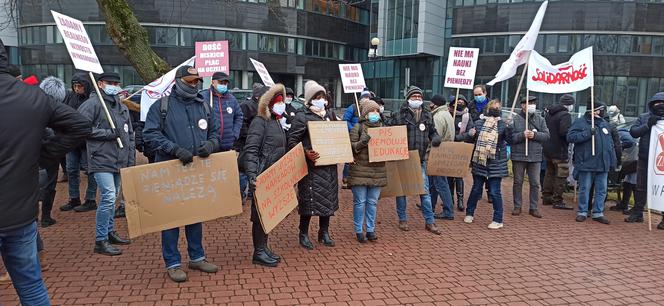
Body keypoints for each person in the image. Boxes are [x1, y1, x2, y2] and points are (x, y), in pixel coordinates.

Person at [0, 38, 91, 305]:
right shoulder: (32, 96)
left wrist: (41, 156)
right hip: (20, 213)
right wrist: (41, 156)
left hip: (20, 214)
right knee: (30, 287)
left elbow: (79, 125)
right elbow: (80, 125)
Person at [143, 65, 222, 282]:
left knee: (194, 214)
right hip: (171, 169)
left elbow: (215, 132)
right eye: (190, 82)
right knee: (171, 218)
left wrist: (211, 144)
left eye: (197, 82)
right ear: (178, 81)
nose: (194, 85)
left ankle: (197, 257)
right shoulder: (161, 107)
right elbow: (150, 134)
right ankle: (173, 262)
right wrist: (174, 149)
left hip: (196, 170)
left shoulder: (204, 105)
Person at [78, 72, 135, 256]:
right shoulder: (93, 104)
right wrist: (107, 134)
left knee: (114, 196)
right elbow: (80, 128)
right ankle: (100, 239)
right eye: (110, 83)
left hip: (120, 158)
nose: (114, 86)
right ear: (100, 84)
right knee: (109, 196)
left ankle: (109, 232)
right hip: (101, 158)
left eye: (117, 83)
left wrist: (130, 159)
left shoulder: (121, 106)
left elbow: (129, 134)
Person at [288, 80, 340, 249]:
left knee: (328, 201)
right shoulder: (302, 116)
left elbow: (339, 137)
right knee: (308, 202)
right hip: (312, 168)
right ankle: (303, 233)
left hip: (329, 165)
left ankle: (324, 232)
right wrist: (305, 152)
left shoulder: (330, 115)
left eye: (322, 96)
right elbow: (292, 140)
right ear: (310, 99)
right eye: (317, 96)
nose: (321, 99)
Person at [387, 85, 443, 234]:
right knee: (402, 191)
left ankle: (429, 222)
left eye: (419, 97)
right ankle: (403, 219)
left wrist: (436, 138)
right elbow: (387, 131)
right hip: (403, 158)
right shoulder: (398, 115)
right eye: (414, 96)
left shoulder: (427, 114)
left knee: (424, 193)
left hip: (420, 159)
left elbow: (433, 132)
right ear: (408, 99)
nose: (417, 99)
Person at [243, 84, 289, 266]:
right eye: (278, 102)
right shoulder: (259, 122)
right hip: (262, 174)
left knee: (267, 214)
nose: (282, 105)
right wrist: (253, 174)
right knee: (259, 215)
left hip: (273, 175)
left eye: (282, 101)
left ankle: (263, 247)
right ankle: (258, 252)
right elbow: (251, 150)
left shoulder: (276, 121)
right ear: (268, 104)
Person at [463, 100, 511, 229]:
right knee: (476, 189)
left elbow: (511, 140)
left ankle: (498, 219)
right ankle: (469, 213)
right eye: (493, 108)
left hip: (497, 162)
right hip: (480, 161)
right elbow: (468, 138)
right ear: (488, 109)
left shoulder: (503, 125)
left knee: (495, 192)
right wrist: (470, 134)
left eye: (498, 108)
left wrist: (509, 128)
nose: (495, 110)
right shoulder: (479, 123)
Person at [567, 102, 615, 224]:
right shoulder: (580, 122)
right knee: (585, 188)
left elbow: (610, 144)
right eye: (598, 110)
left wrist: (612, 161)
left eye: (601, 110)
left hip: (603, 163)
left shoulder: (604, 124)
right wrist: (588, 133)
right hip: (586, 162)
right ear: (591, 111)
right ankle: (582, 211)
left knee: (602, 190)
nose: (600, 112)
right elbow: (570, 137)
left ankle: (598, 212)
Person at [348, 98, 387, 243]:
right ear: (365, 113)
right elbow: (351, 147)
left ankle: (370, 229)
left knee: (372, 202)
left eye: (377, 110)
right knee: (360, 202)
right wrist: (363, 142)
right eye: (372, 111)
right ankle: (358, 230)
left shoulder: (384, 129)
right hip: (360, 170)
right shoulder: (357, 128)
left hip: (377, 171)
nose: (375, 113)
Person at [60, 72, 98, 212]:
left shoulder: (93, 100)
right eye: (75, 86)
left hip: (86, 142)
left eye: (80, 86)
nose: (77, 89)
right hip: (71, 141)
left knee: (90, 170)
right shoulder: (69, 97)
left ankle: (90, 199)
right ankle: (74, 198)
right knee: (71, 170)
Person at [625, 93, 664, 228]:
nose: (659, 105)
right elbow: (633, 132)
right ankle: (638, 212)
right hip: (644, 157)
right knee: (641, 186)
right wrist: (648, 125)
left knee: (662, 188)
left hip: (661, 161)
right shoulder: (644, 117)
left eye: (662, 103)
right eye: (656, 103)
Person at [509, 96, 550, 218]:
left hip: (535, 156)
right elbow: (511, 138)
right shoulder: (515, 119)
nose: (532, 105)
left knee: (535, 183)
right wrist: (522, 135)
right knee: (518, 182)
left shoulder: (540, 119)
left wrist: (535, 135)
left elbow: (547, 136)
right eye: (529, 103)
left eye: (533, 103)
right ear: (522, 105)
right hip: (519, 156)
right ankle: (517, 206)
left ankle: (534, 207)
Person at [38, 76, 69, 227]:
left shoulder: (34, 105)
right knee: (49, 184)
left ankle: (39, 216)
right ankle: (45, 216)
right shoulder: (56, 109)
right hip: (50, 151)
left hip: (34, 150)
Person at [236, 83, 270, 204]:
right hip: (247, 142)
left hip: (257, 142)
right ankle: (241, 194)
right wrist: (248, 136)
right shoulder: (247, 106)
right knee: (244, 170)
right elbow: (242, 123)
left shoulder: (265, 111)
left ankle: (248, 192)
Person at [542, 94, 575, 210]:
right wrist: (571, 136)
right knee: (561, 174)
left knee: (549, 173)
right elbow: (564, 132)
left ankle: (546, 196)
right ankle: (557, 199)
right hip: (560, 149)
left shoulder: (549, 113)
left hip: (548, 148)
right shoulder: (565, 115)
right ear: (569, 104)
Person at [428, 94, 456, 220]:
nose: (429, 104)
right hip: (445, 150)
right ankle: (430, 205)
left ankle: (448, 210)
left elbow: (435, 137)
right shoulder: (447, 114)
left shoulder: (438, 117)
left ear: (435, 104)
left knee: (440, 183)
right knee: (434, 183)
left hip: (437, 153)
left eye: (431, 102)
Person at [200, 72, 244, 152]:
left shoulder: (231, 99)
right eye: (221, 82)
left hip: (227, 144)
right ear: (213, 82)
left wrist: (234, 134)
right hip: (209, 145)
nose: (223, 85)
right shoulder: (204, 97)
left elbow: (239, 116)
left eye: (225, 83)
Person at [467, 84, 492, 202]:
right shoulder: (470, 105)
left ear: (485, 93)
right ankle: (478, 191)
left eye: (479, 94)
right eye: (475, 95)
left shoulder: (491, 106)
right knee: (476, 166)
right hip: (474, 140)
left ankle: (490, 191)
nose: (477, 97)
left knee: (487, 167)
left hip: (487, 141)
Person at [449, 94, 472, 212]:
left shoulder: (467, 116)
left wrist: (458, 137)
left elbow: (471, 132)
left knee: (458, 176)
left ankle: (460, 201)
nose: (459, 103)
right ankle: (449, 200)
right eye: (457, 101)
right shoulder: (448, 114)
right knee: (448, 177)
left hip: (461, 149)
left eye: (462, 101)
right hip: (448, 149)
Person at [610, 128, 638, 214]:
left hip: (634, 160)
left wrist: (618, 147)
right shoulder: (624, 133)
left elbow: (630, 142)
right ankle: (624, 204)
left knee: (634, 183)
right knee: (627, 182)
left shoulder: (620, 133)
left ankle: (637, 209)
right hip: (632, 160)